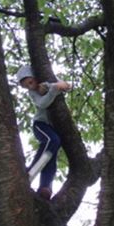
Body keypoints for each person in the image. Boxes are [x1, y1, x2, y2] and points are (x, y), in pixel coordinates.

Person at [17, 65, 71, 200]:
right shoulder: (32, 93)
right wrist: (53, 90)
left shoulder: (47, 82)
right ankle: (30, 171)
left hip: (53, 127)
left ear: (35, 77)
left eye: (30, 82)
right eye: (25, 86)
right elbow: (42, 103)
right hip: (41, 125)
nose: (29, 87)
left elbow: (66, 85)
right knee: (52, 141)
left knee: (51, 157)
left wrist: (53, 85)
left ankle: (45, 187)